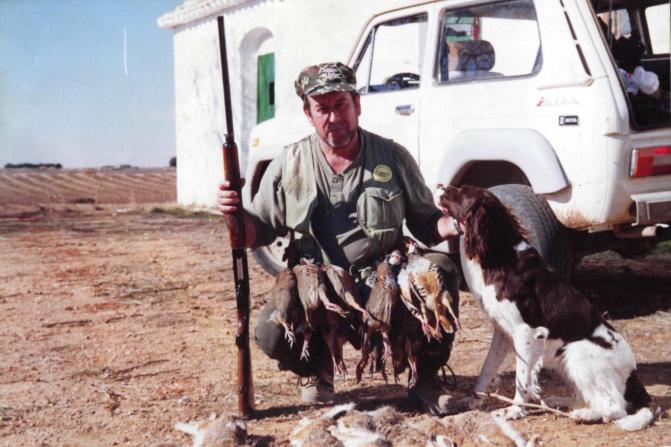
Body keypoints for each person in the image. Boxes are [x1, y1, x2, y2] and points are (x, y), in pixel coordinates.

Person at [217, 62, 461, 415]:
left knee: (439, 270)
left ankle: (424, 378)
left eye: (341, 105)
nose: (333, 117)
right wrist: (234, 214)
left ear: (357, 105)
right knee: (272, 332)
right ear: (309, 113)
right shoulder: (289, 163)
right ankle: (316, 368)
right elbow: (257, 231)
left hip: (384, 285)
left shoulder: (392, 157)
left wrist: (453, 224)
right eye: (322, 108)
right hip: (319, 292)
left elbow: (426, 223)